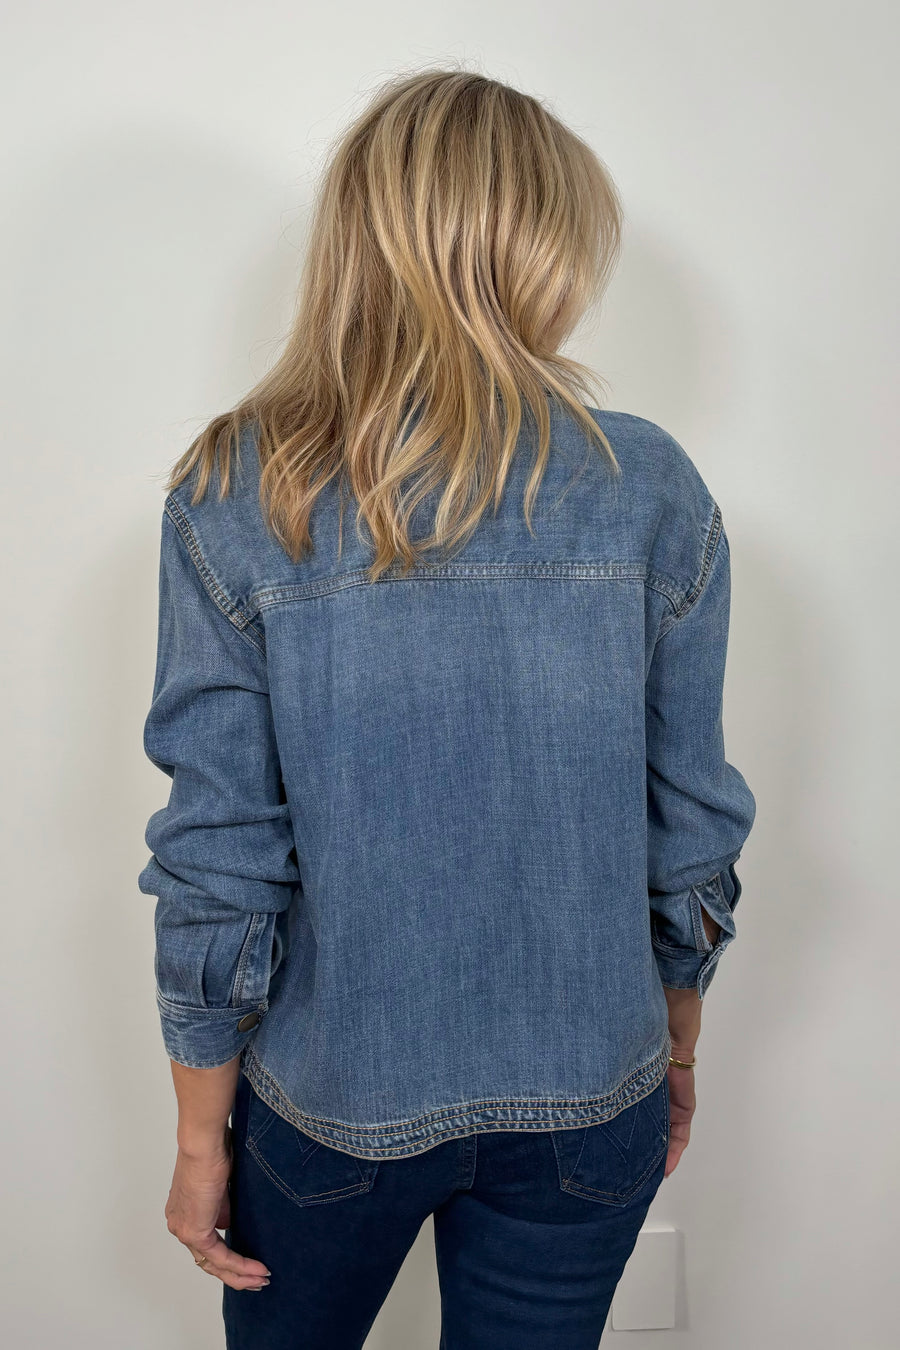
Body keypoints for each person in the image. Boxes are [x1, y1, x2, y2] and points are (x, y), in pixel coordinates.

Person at [138, 67, 756, 1350]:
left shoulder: (239, 491)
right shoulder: (645, 484)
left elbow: (220, 857)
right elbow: (688, 821)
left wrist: (203, 1139)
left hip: (332, 1099)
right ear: (538, 247)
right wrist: (675, 1046)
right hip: (595, 1088)